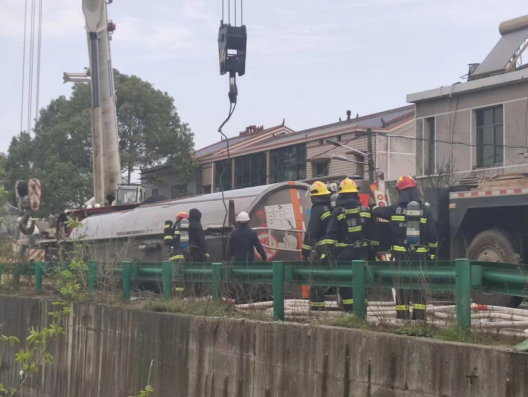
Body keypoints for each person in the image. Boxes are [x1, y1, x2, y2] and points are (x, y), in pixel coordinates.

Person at [372, 175, 438, 320]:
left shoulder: (393, 210)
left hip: (400, 257)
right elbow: (433, 235)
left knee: (401, 286)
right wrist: (432, 254)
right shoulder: (425, 211)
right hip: (420, 257)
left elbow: (377, 211)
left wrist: (373, 207)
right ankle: (419, 318)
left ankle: (402, 317)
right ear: (415, 190)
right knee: (419, 286)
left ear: (400, 192)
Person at [325, 178, 376, 312]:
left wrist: (327, 254)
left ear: (341, 194)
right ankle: (362, 312)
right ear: (355, 193)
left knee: (346, 284)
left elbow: (331, 235)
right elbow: (372, 234)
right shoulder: (365, 210)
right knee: (362, 283)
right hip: (362, 254)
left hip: (344, 255)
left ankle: (349, 311)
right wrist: (372, 254)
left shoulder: (338, 211)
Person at [302, 181, 333, 311]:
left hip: (321, 249)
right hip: (332, 249)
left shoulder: (317, 209)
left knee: (316, 277)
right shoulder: (330, 208)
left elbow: (312, 231)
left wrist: (305, 251)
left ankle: (317, 307)